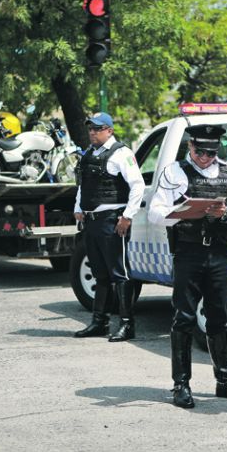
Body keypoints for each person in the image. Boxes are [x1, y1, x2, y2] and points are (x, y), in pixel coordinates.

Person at [148, 124, 227, 408]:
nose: (205, 158)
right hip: (188, 252)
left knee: (219, 316)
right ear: (190, 146)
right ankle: (181, 384)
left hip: (219, 253)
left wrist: (226, 213)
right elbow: (155, 212)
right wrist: (180, 213)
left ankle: (225, 380)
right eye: (200, 152)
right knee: (184, 317)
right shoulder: (174, 172)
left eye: (211, 153)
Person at [73, 112, 145, 342]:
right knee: (100, 274)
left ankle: (127, 324)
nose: (92, 132)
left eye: (97, 128)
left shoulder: (121, 154)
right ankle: (99, 322)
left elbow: (138, 185)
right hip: (92, 221)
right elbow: (83, 185)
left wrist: (127, 216)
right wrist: (78, 207)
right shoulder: (89, 154)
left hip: (112, 221)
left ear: (109, 130)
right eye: (90, 129)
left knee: (120, 273)